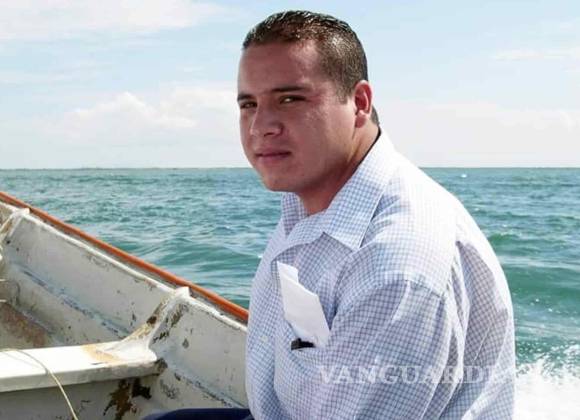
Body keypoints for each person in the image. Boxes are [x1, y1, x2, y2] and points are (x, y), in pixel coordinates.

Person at [146, 9, 515, 419]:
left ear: (359, 103)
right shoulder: (315, 193)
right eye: (248, 104)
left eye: (290, 99)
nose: (260, 126)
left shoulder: (398, 266)